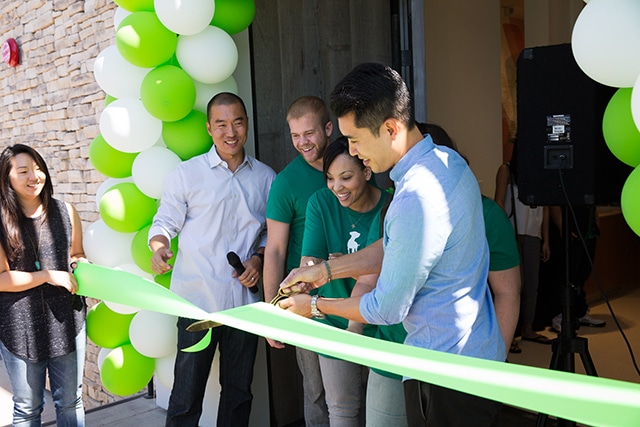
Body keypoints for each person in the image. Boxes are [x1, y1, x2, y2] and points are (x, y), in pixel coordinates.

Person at [280, 63, 505, 426]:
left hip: (443, 371)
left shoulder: (414, 197)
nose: (352, 150)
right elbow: (397, 247)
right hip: (473, 358)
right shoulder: (448, 163)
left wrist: (316, 306)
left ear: (390, 128)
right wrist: (323, 271)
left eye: (355, 140)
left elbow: (386, 309)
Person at [149, 92, 276, 427]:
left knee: (239, 394)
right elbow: (164, 222)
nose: (230, 132)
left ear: (247, 124)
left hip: (245, 305)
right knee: (186, 396)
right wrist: (159, 246)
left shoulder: (266, 178)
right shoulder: (187, 175)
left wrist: (258, 260)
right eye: (221, 124)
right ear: (209, 128)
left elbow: (270, 234)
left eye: (237, 122)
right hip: (196, 304)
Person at [301, 136, 387, 426]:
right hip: (334, 321)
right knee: (341, 410)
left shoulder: (392, 205)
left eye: (346, 177)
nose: (337, 187)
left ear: (366, 171)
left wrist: (342, 267)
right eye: (330, 178)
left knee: (381, 412)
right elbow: (309, 262)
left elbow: (390, 268)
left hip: (384, 325)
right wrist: (319, 270)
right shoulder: (321, 202)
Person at [0, 144, 87, 426]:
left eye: (38, 168)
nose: (34, 176)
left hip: (67, 320)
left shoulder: (66, 211)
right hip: (20, 326)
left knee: (70, 401)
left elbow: (76, 254)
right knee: (27, 408)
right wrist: (49, 275)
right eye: (23, 171)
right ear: (7, 179)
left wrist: (79, 265)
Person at [262, 95, 333, 426]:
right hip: (304, 300)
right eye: (295, 135)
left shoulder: (354, 166)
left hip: (354, 292)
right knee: (316, 391)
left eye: (309, 133)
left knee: (356, 386)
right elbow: (275, 249)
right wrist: (270, 311)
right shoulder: (286, 182)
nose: (302, 142)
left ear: (328, 129)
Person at [495, 148, 551, 350]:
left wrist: (546, 239)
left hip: (533, 232)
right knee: (514, 286)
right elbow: (499, 201)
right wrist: (502, 232)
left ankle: (527, 328)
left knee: (532, 285)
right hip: (512, 231)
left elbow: (544, 207)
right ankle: (511, 334)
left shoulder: (539, 172)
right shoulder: (506, 170)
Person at [548, 205, 605, 333]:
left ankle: (580, 312)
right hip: (572, 228)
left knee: (583, 272)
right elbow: (554, 204)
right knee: (568, 273)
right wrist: (562, 226)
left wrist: (596, 220)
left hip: (588, 229)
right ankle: (561, 314)